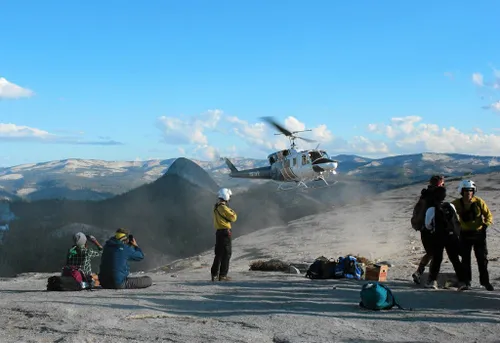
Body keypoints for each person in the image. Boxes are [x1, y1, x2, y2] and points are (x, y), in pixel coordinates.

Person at [452, 180, 494, 291]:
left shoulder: (479, 202)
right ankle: (466, 282)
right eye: (466, 190)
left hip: (479, 234)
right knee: (465, 259)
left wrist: (485, 225)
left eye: (470, 190)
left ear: (474, 191)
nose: (468, 193)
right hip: (464, 234)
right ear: (461, 191)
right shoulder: (457, 203)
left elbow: (488, 216)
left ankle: (485, 282)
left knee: (482, 259)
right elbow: (448, 209)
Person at [423, 186, 467, 290]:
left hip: (438, 237)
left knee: (437, 259)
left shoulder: (431, 209)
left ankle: (432, 281)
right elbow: (456, 220)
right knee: (455, 259)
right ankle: (463, 281)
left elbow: (427, 225)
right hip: (452, 237)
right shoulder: (451, 205)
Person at [411, 175, 445, 284]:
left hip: (423, 229)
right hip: (431, 229)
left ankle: (421, 273)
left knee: (431, 252)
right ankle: (425, 275)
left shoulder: (425, 195)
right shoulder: (435, 196)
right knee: (434, 253)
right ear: (440, 184)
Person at [211, 188, 237, 282]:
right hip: (225, 232)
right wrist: (232, 211)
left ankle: (214, 274)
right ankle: (223, 275)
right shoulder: (224, 208)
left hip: (218, 232)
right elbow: (233, 218)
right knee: (227, 254)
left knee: (218, 254)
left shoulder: (216, 207)